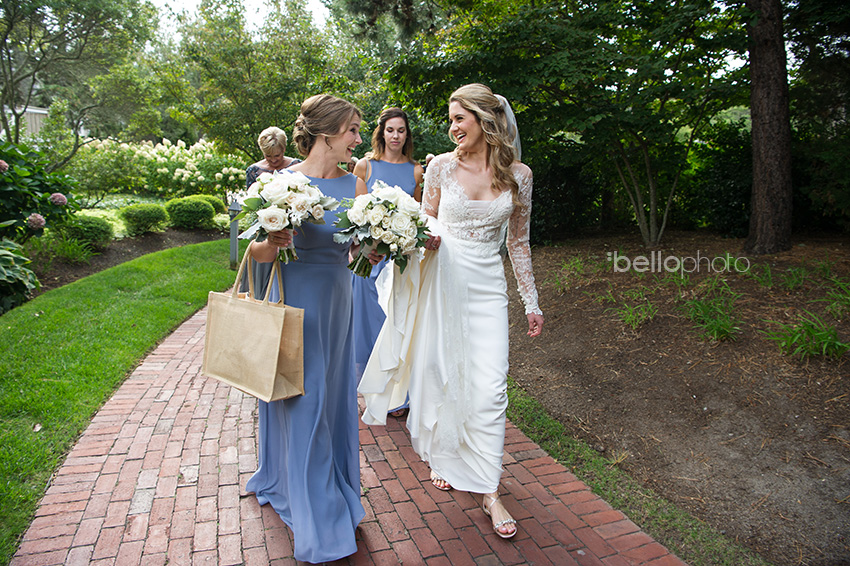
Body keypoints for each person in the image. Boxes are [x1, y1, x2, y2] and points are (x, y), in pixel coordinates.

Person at [359, 84, 544, 539]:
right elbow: (424, 221)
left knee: (491, 386)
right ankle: (458, 466)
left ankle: (487, 484)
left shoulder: (520, 175)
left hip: (487, 287)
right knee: (444, 375)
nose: (452, 127)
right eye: (450, 118)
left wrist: (531, 302)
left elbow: (518, 242)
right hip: (443, 279)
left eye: (460, 118)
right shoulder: (441, 166)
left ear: (485, 120)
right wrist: (425, 237)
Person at [245, 94, 371, 564]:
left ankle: (330, 486)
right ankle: (314, 507)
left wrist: (371, 251)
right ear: (327, 133)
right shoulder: (280, 182)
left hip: (338, 301)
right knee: (305, 398)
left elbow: (355, 251)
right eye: (353, 130)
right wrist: (274, 240)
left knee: (331, 396)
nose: (359, 139)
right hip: (296, 302)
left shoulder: (356, 184)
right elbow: (255, 253)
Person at [351, 107, 424, 418]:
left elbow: (420, 218)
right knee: (370, 328)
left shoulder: (417, 171)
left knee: (398, 326)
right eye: (390, 130)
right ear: (381, 132)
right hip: (371, 261)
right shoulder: (364, 167)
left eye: (401, 131)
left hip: (400, 263)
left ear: (407, 135)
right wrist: (367, 248)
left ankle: (398, 397)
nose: (396, 136)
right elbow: (356, 217)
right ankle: (372, 391)